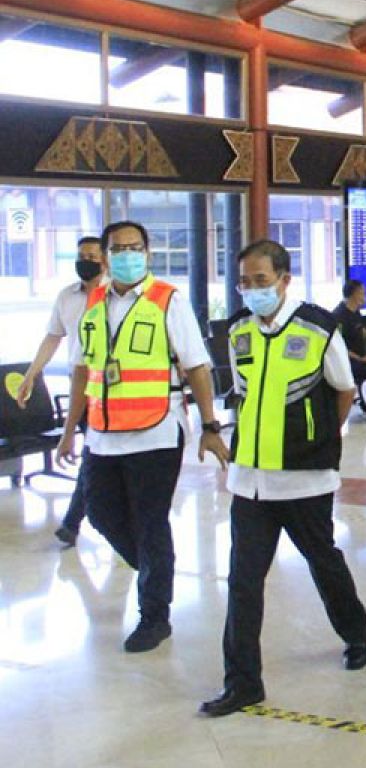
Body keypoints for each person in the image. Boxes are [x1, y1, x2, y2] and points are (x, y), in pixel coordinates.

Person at [199, 240, 366, 717]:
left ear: (284, 279)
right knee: (243, 582)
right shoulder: (238, 331)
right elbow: (242, 394)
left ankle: (355, 632)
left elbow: (342, 390)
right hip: (250, 479)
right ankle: (243, 681)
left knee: (323, 561)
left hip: (303, 480)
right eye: (244, 282)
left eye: (261, 280)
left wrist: (317, 439)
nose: (252, 290)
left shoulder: (318, 326)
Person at [54, 220, 227, 652]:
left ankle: (154, 615)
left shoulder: (168, 300)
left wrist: (209, 425)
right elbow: (81, 371)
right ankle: (156, 568)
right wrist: (69, 431)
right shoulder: (92, 303)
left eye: (134, 248)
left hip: (156, 431)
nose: (126, 254)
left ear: (148, 254)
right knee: (100, 514)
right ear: (107, 256)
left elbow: (197, 367)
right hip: (103, 433)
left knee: (151, 524)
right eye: (117, 248)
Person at [16, 236, 104, 546]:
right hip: (80, 388)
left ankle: (72, 520)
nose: (85, 260)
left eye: (92, 255)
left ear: (105, 260)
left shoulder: (116, 296)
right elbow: (53, 338)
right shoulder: (67, 297)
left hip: (110, 390)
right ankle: (75, 520)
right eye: (81, 255)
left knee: (94, 454)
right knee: (94, 455)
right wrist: (31, 375)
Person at [331, 279, 366, 390]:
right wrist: (361, 359)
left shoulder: (355, 312)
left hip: (363, 358)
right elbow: (339, 347)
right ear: (354, 294)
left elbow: (363, 333)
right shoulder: (338, 316)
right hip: (351, 363)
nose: (365, 295)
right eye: (362, 293)